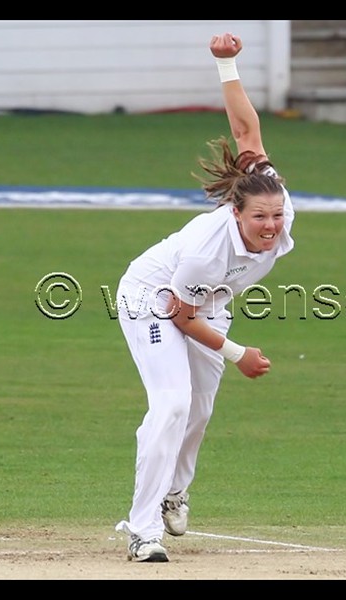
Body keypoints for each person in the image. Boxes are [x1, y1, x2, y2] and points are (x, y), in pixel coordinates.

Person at [114, 32, 295, 562]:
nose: (270, 226)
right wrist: (239, 354)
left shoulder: (275, 198)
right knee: (171, 404)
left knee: (198, 412)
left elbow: (245, 129)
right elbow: (182, 316)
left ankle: (175, 489)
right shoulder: (203, 250)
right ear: (236, 214)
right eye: (259, 217)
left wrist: (228, 64)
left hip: (207, 300)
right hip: (155, 296)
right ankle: (143, 531)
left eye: (276, 215)